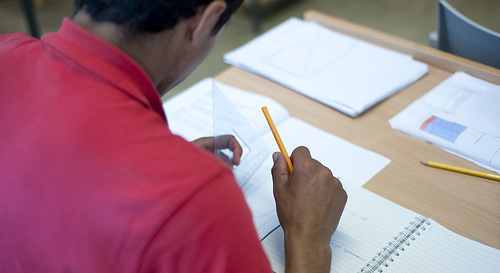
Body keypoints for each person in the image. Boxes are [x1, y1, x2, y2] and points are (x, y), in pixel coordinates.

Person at [0, 0, 347, 272]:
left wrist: (158, 164)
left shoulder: (6, 51)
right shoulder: (193, 196)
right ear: (206, 19)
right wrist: (309, 240)